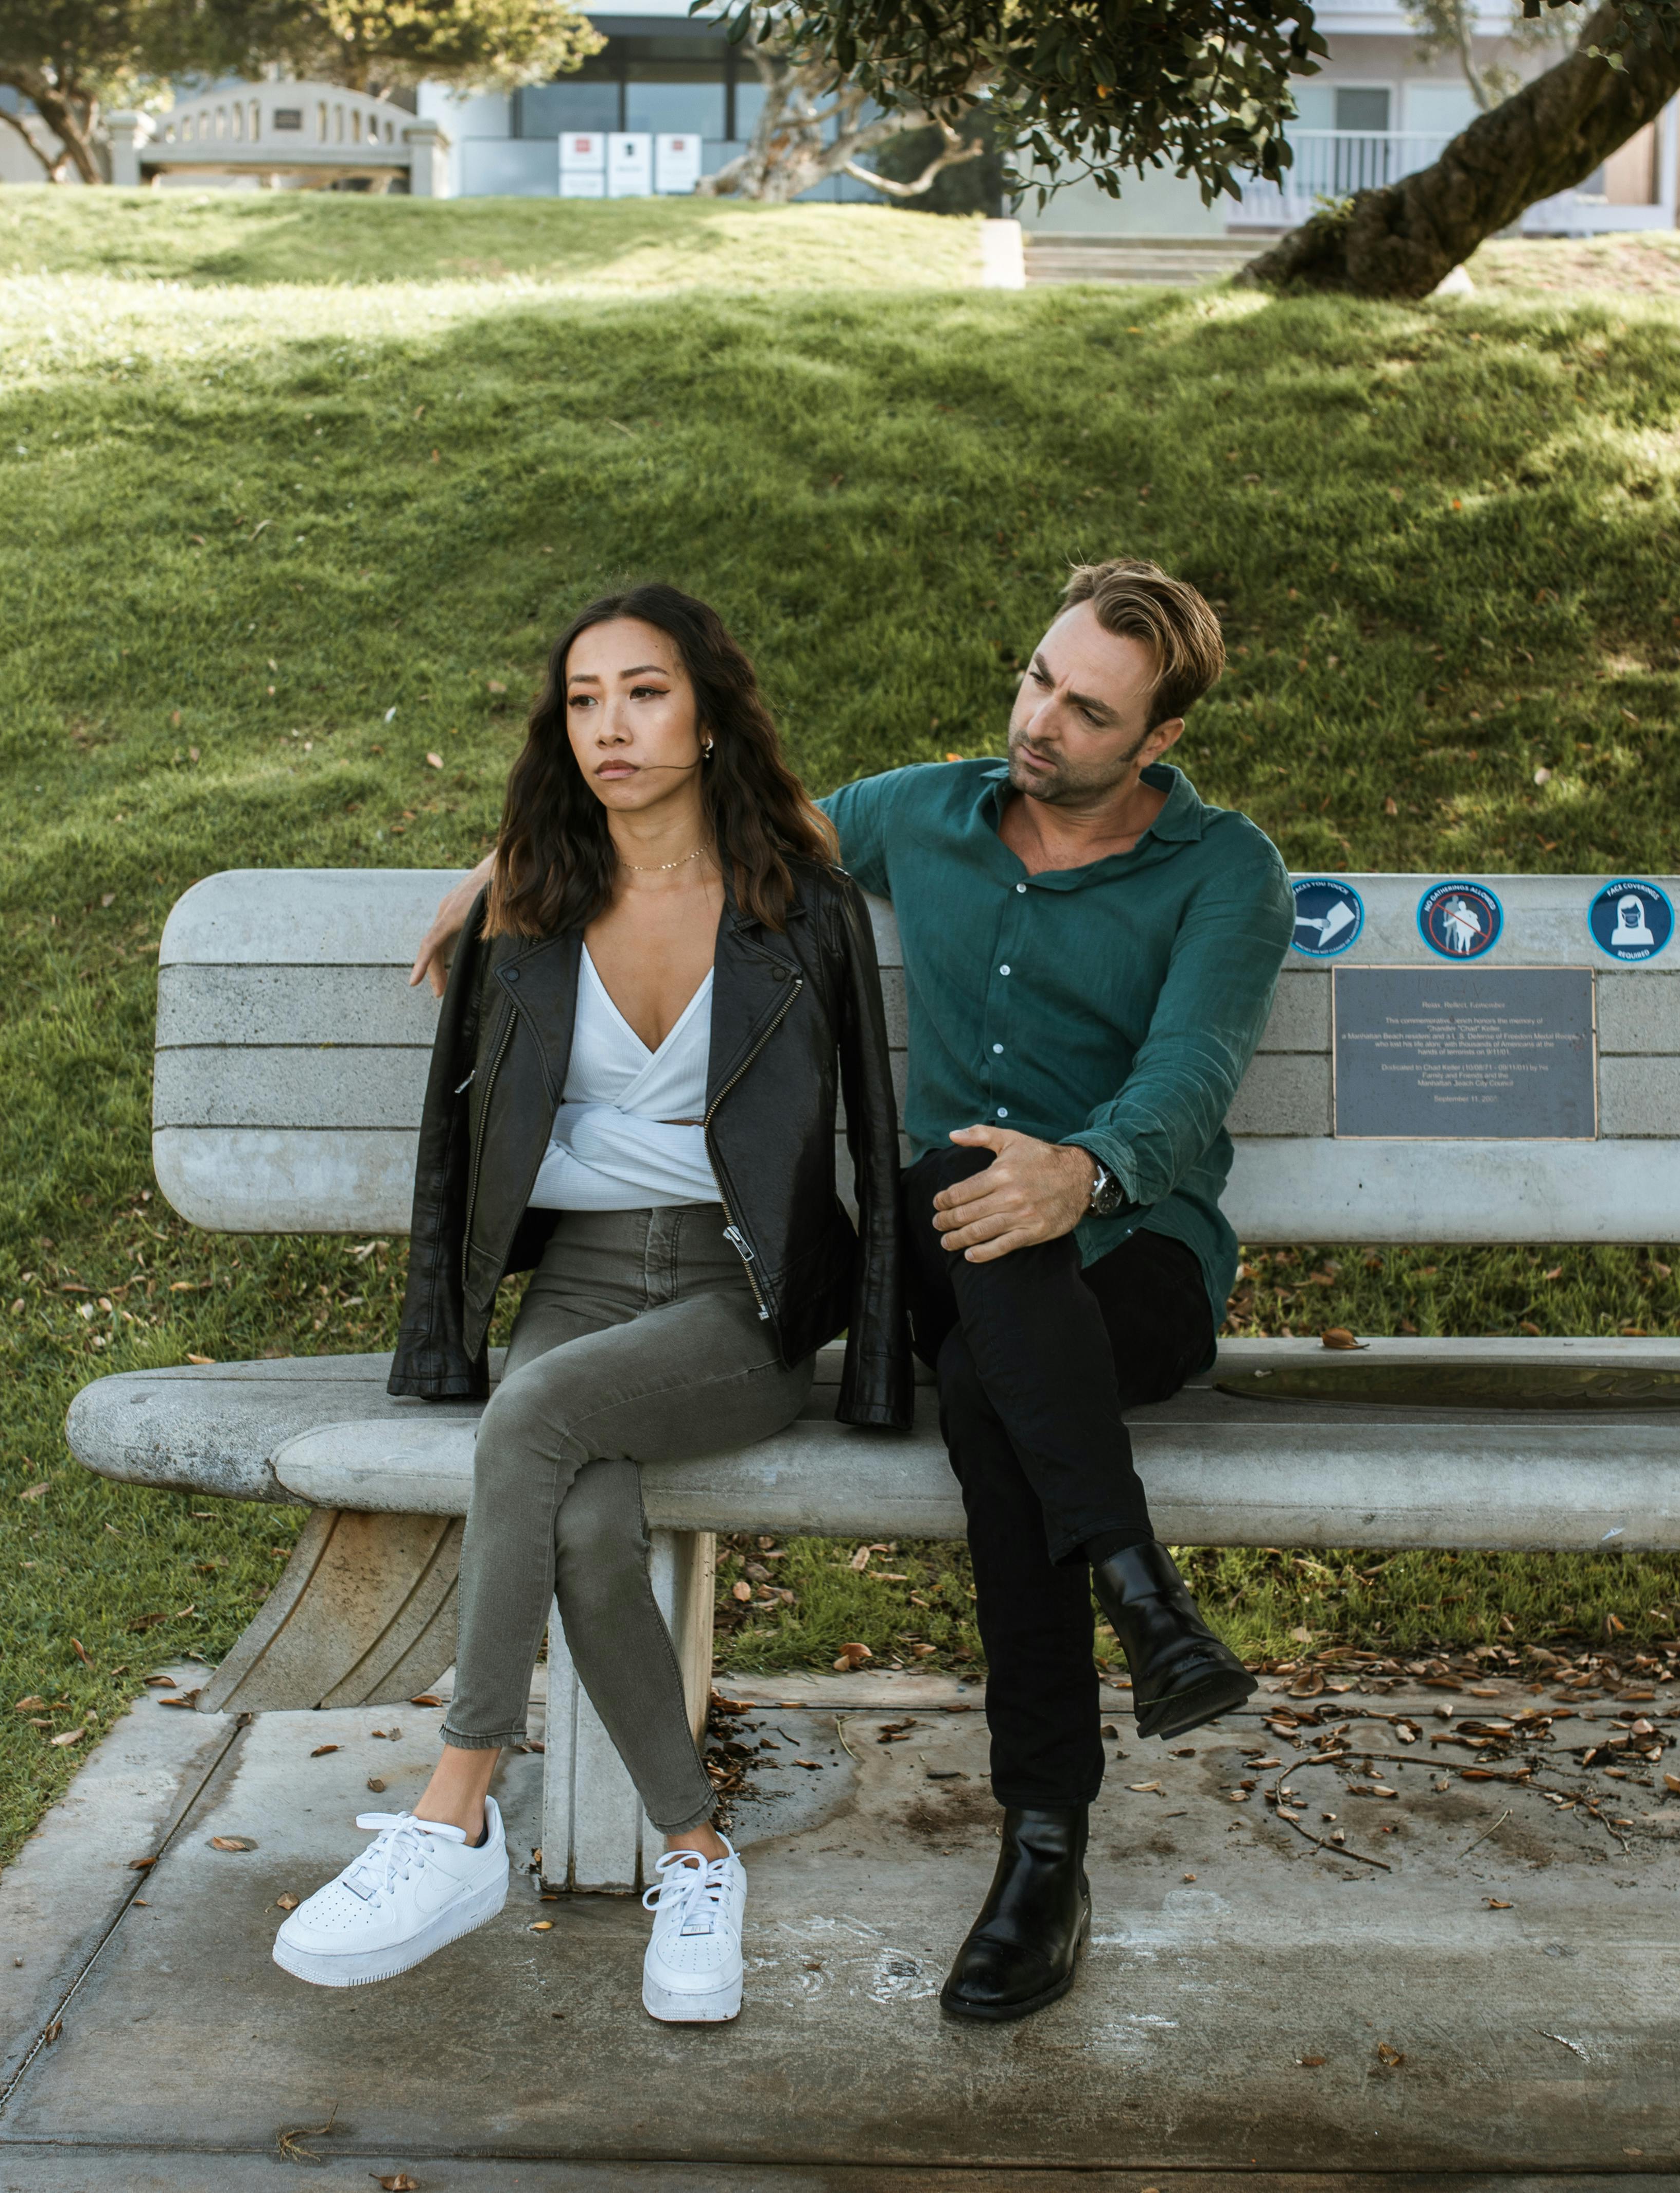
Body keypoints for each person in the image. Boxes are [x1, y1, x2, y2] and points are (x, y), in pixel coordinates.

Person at [409, 560, 1290, 2028]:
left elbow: (1191, 1079)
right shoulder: (923, 812)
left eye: (1088, 712)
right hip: (950, 1242)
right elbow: (704, 826)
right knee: (964, 1209)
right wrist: (507, 869)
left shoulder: (1226, 870)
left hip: (1132, 1259)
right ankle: (1127, 1653)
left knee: (1007, 1396)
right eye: (1036, 680)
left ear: (1159, 744)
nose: (1042, 723)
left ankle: (1049, 1839)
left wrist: (1084, 1172)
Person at [275, 584, 907, 2026]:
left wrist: (868, 1360)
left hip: (732, 1296)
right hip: (577, 1280)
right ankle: (698, 1856)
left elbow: (872, 1126)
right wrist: (440, 1333)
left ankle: (452, 1815)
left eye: (644, 693)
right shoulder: (533, 904)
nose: (610, 726)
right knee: (580, 1515)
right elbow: (456, 1141)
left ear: (705, 716)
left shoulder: (799, 909)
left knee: (541, 1414)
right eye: (582, 699)